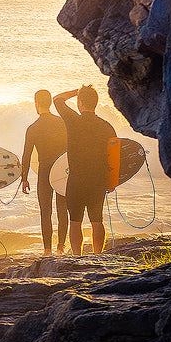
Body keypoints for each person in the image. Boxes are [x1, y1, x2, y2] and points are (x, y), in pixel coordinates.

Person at [53, 86, 116, 255]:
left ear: (80, 103)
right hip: (98, 181)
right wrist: (112, 181)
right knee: (97, 220)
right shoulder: (107, 126)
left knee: (75, 221)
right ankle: (98, 256)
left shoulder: (73, 119)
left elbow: (57, 99)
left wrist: (76, 91)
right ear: (96, 103)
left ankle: (77, 257)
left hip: (76, 180)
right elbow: (114, 156)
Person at [20, 89, 69, 255]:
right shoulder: (62, 122)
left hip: (45, 171)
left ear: (37, 104)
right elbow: (71, 149)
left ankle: (47, 250)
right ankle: (61, 248)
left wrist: (24, 178)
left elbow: (26, 155)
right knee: (62, 209)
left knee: (45, 211)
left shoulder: (33, 128)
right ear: (49, 102)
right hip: (62, 170)